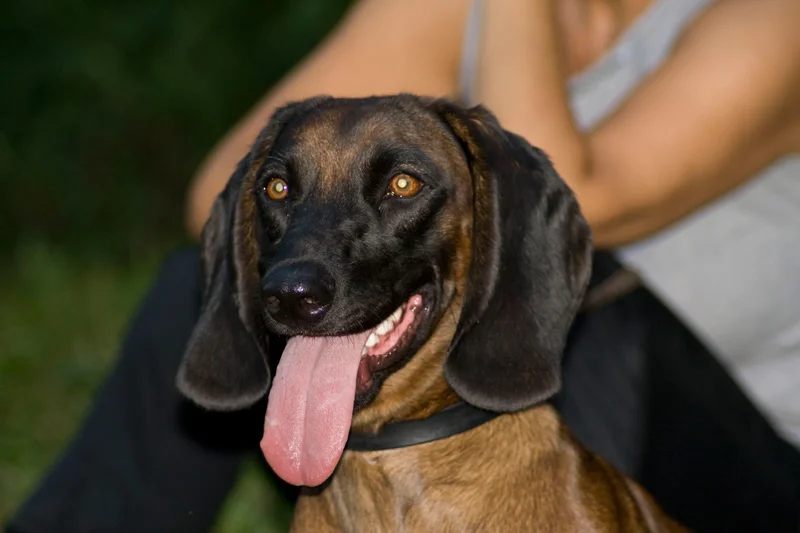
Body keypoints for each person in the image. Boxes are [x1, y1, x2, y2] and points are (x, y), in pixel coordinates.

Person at [8, 0, 800, 531]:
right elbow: (225, 186)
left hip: (739, 456)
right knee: (208, 282)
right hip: (486, 380)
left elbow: (573, 195)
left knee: (552, 282)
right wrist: (313, 193)